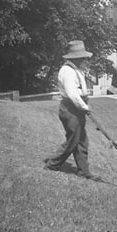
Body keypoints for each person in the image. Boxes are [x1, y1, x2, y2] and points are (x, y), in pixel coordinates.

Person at [44, 40, 98, 179]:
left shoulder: (76, 69)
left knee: (82, 140)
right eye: (81, 57)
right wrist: (84, 107)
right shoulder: (68, 71)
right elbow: (72, 94)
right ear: (74, 57)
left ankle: (83, 171)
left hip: (76, 108)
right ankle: (52, 164)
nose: (84, 60)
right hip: (70, 109)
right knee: (73, 140)